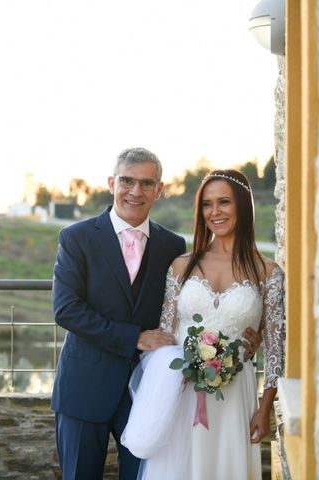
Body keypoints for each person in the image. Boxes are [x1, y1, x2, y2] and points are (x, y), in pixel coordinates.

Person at [121, 169, 285, 480]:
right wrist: (180, 370)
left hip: (236, 395)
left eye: (224, 202)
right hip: (182, 393)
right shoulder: (182, 266)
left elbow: (275, 350)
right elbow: (166, 335)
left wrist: (265, 409)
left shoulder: (269, 273)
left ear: (243, 206)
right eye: (207, 204)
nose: (215, 212)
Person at [51, 147, 186, 479]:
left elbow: (182, 309)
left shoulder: (173, 246)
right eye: (127, 181)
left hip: (147, 394)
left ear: (159, 189)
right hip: (84, 388)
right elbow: (66, 310)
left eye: (146, 183)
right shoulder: (76, 238)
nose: (135, 191)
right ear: (112, 183)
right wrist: (135, 338)